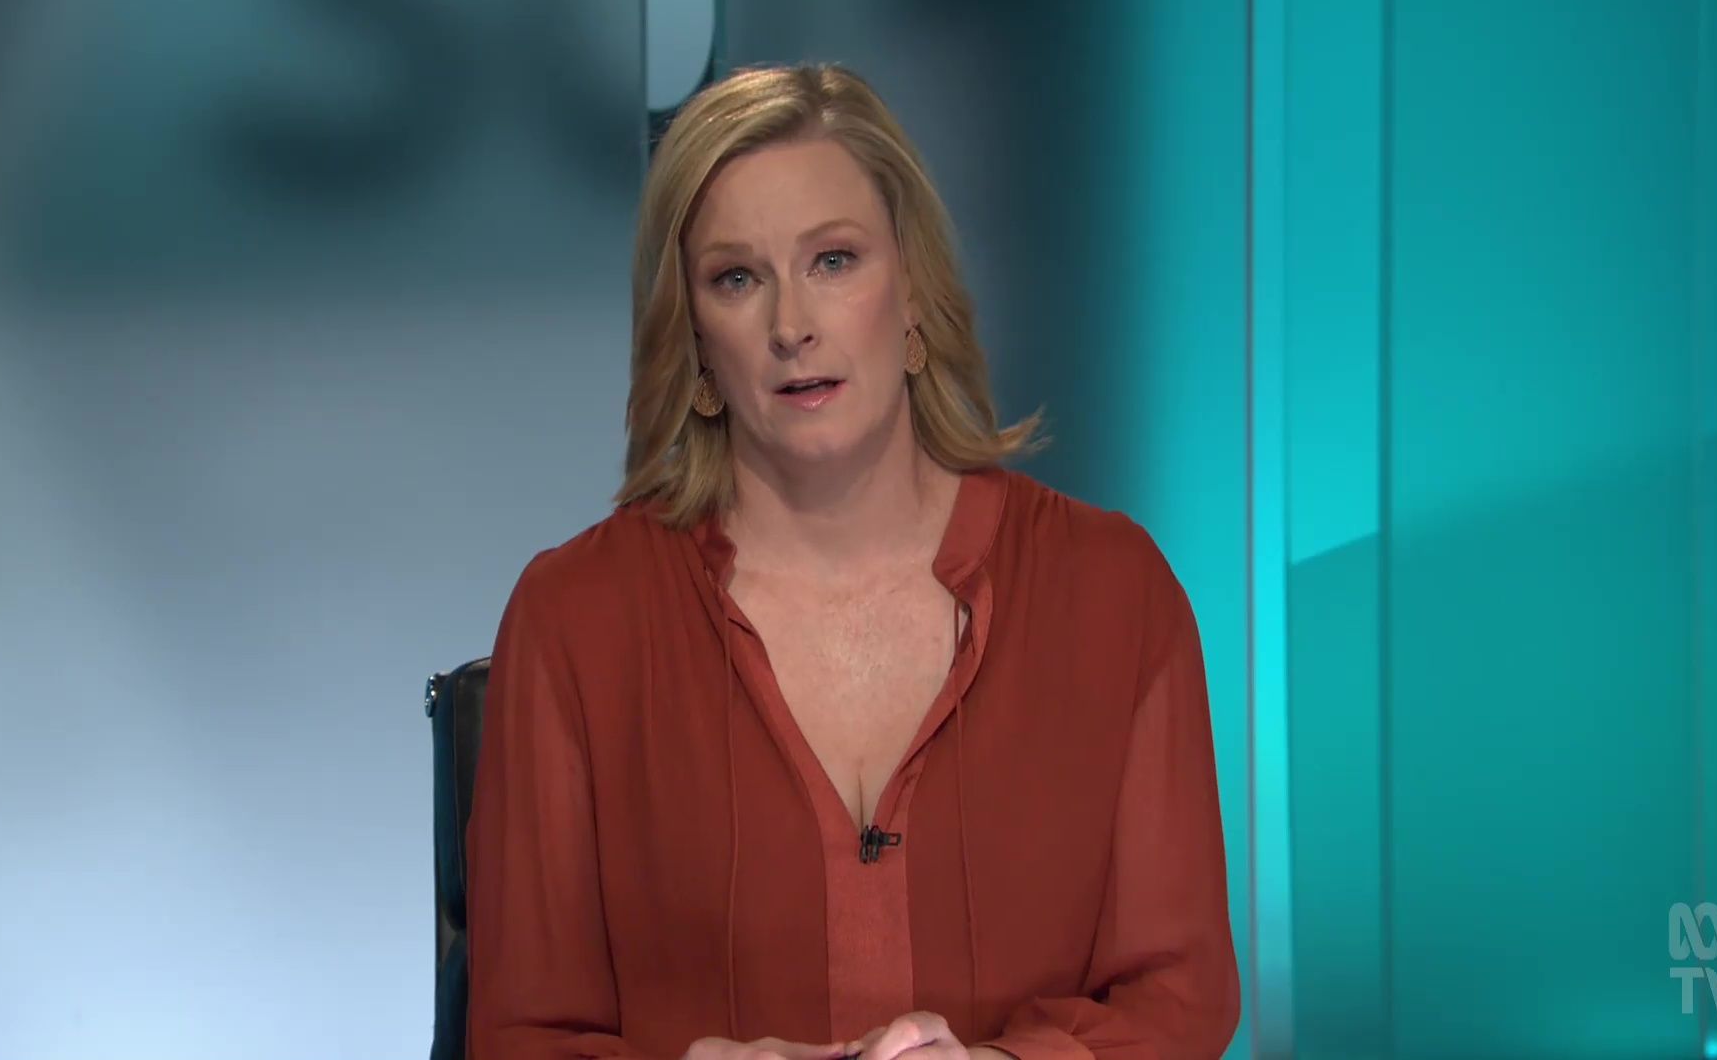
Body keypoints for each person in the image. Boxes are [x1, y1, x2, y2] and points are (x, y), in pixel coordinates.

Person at [465, 62, 1240, 1060]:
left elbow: (1179, 997)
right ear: (693, 341)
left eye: (833, 260)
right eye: (737, 279)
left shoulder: (1112, 593)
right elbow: (523, 1036)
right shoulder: (577, 620)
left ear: (912, 291)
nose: (792, 326)